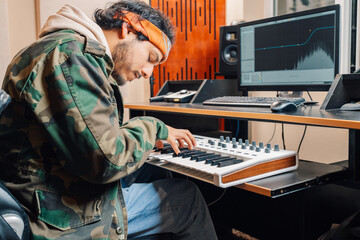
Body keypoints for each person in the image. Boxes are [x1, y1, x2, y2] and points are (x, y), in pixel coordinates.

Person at [0, 0, 217, 239]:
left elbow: (91, 133)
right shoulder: (71, 57)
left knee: (155, 173)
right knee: (189, 199)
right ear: (127, 28)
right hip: (54, 214)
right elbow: (106, 160)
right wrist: (154, 128)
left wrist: (142, 135)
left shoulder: (68, 50)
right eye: (151, 58)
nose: (148, 73)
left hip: (45, 183)